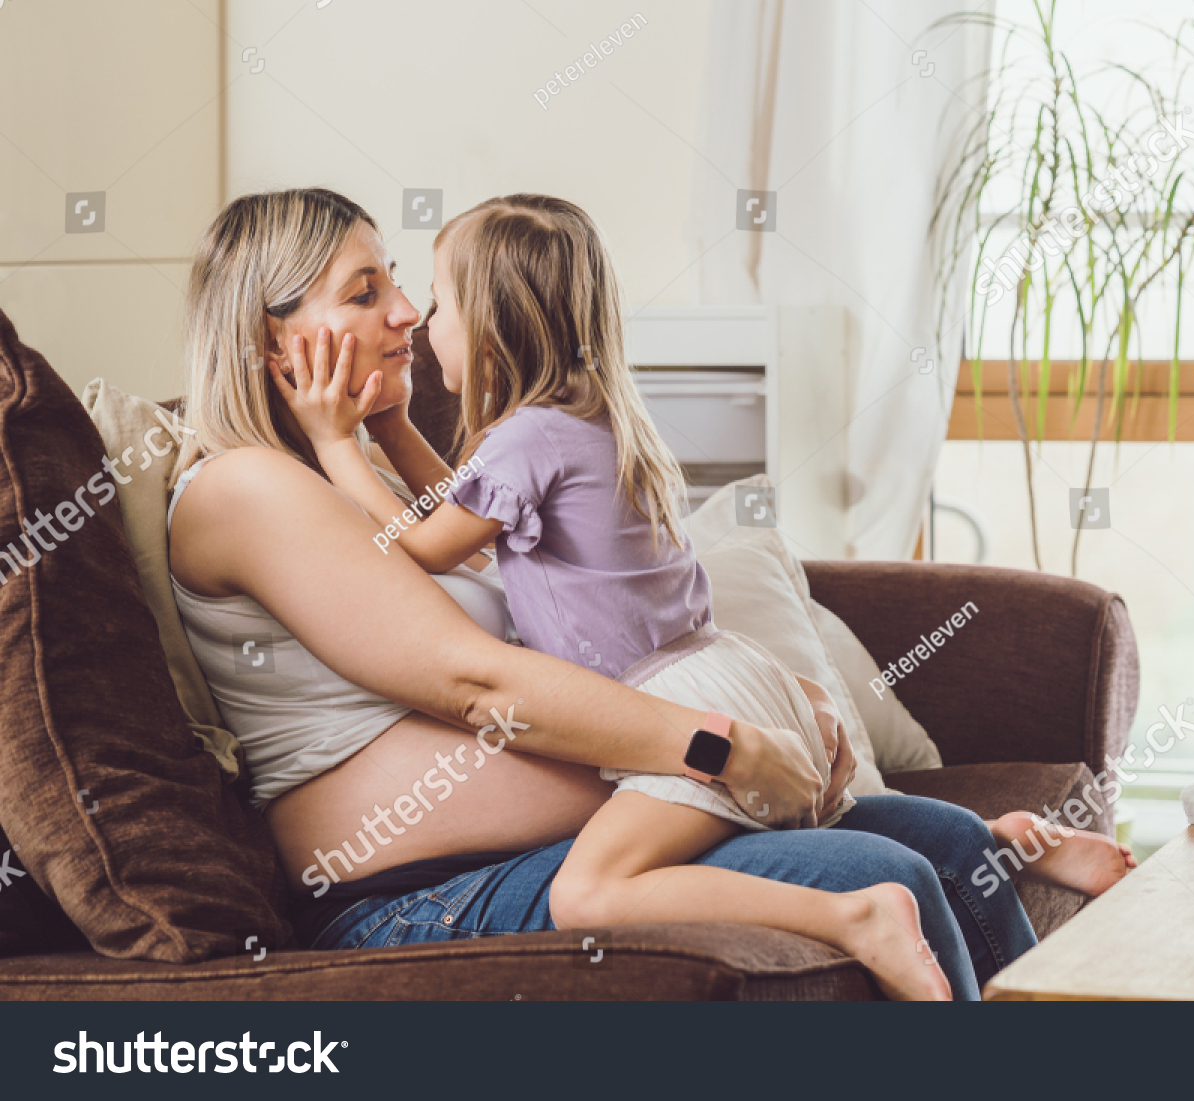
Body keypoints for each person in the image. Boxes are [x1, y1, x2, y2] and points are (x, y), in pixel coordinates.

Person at [164, 187, 1090, 1001]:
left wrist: (770, 708)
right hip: (423, 891)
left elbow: (561, 598)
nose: (407, 311)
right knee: (883, 868)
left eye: (399, 282)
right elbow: (474, 681)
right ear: (267, 338)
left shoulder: (362, 473)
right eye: (365, 293)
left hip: (614, 815)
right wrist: (719, 745)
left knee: (956, 847)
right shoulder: (246, 488)